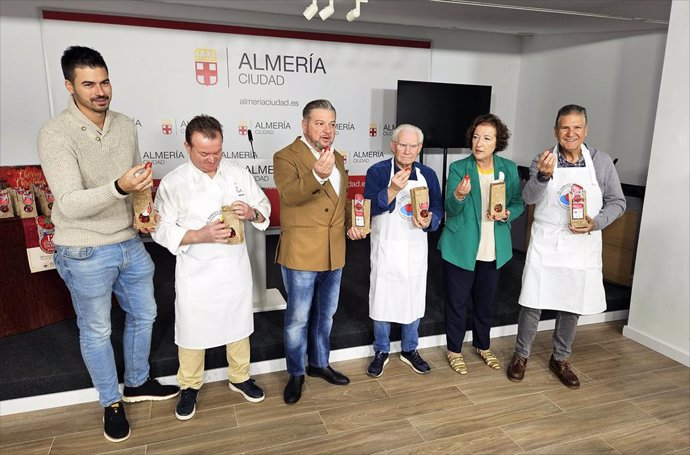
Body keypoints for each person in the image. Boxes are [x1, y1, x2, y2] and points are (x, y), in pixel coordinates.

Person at [37, 46, 179, 443]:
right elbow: (68, 203)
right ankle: (109, 401)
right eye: (88, 84)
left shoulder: (123, 124)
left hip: (129, 242)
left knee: (145, 314)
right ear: (69, 87)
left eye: (104, 81)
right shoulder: (55, 133)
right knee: (97, 329)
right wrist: (119, 187)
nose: (100, 91)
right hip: (83, 249)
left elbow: (138, 181)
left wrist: (145, 212)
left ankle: (135, 383)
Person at [151, 115, 271, 420]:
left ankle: (240, 376)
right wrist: (199, 235)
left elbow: (264, 208)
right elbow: (161, 229)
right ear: (187, 147)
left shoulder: (237, 173)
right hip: (196, 271)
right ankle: (190, 385)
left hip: (233, 268)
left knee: (238, 324)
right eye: (204, 153)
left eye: (217, 152)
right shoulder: (173, 182)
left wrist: (253, 212)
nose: (211, 159)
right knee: (192, 329)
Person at [507, 104, 626, 388]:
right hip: (548, 239)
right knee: (532, 301)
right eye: (564, 127)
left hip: (581, 243)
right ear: (556, 130)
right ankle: (520, 354)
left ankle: (560, 358)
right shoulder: (544, 159)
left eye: (576, 127)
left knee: (571, 304)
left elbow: (618, 202)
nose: (570, 133)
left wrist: (595, 223)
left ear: (585, 130)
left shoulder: (600, 161)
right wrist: (544, 176)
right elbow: (529, 198)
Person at [273, 99, 364, 405]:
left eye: (333, 124)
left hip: (334, 252)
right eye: (320, 123)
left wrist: (353, 224)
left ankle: (319, 364)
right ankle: (296, 373)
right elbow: (288, 195)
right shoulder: (285, 156)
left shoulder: (337, 157)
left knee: (325, 316)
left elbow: (340, 203)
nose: (328, 130)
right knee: (298, 319)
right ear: (304, 125)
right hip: (301, 252)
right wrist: (316, 176)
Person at [438, 114, 524, 375]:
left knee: (485, 302)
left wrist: (507, 214)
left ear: (498, 142)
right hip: (461, 246)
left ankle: (482, 346)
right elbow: (450, 209)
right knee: (457, 302)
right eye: (476, 137)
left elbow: (518, 203)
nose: (479, 143)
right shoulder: (458, 168)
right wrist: (458, 195)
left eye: (486, 138)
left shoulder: (508, 169)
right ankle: (454, 350)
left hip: (493, 247)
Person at [363, 124, 443, 377]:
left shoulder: (428, 175)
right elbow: (369, 209)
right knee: (382, 297)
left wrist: (431, 219)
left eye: (413, 146)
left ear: (419, 148)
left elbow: (438, 208)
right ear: (393, 145)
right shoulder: (376, 172)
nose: (407, 151)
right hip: (386, 245)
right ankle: (381, 349)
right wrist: (393, 190)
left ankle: (410, 349)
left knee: (412, 296)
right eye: (402, 145)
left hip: (414, 248)